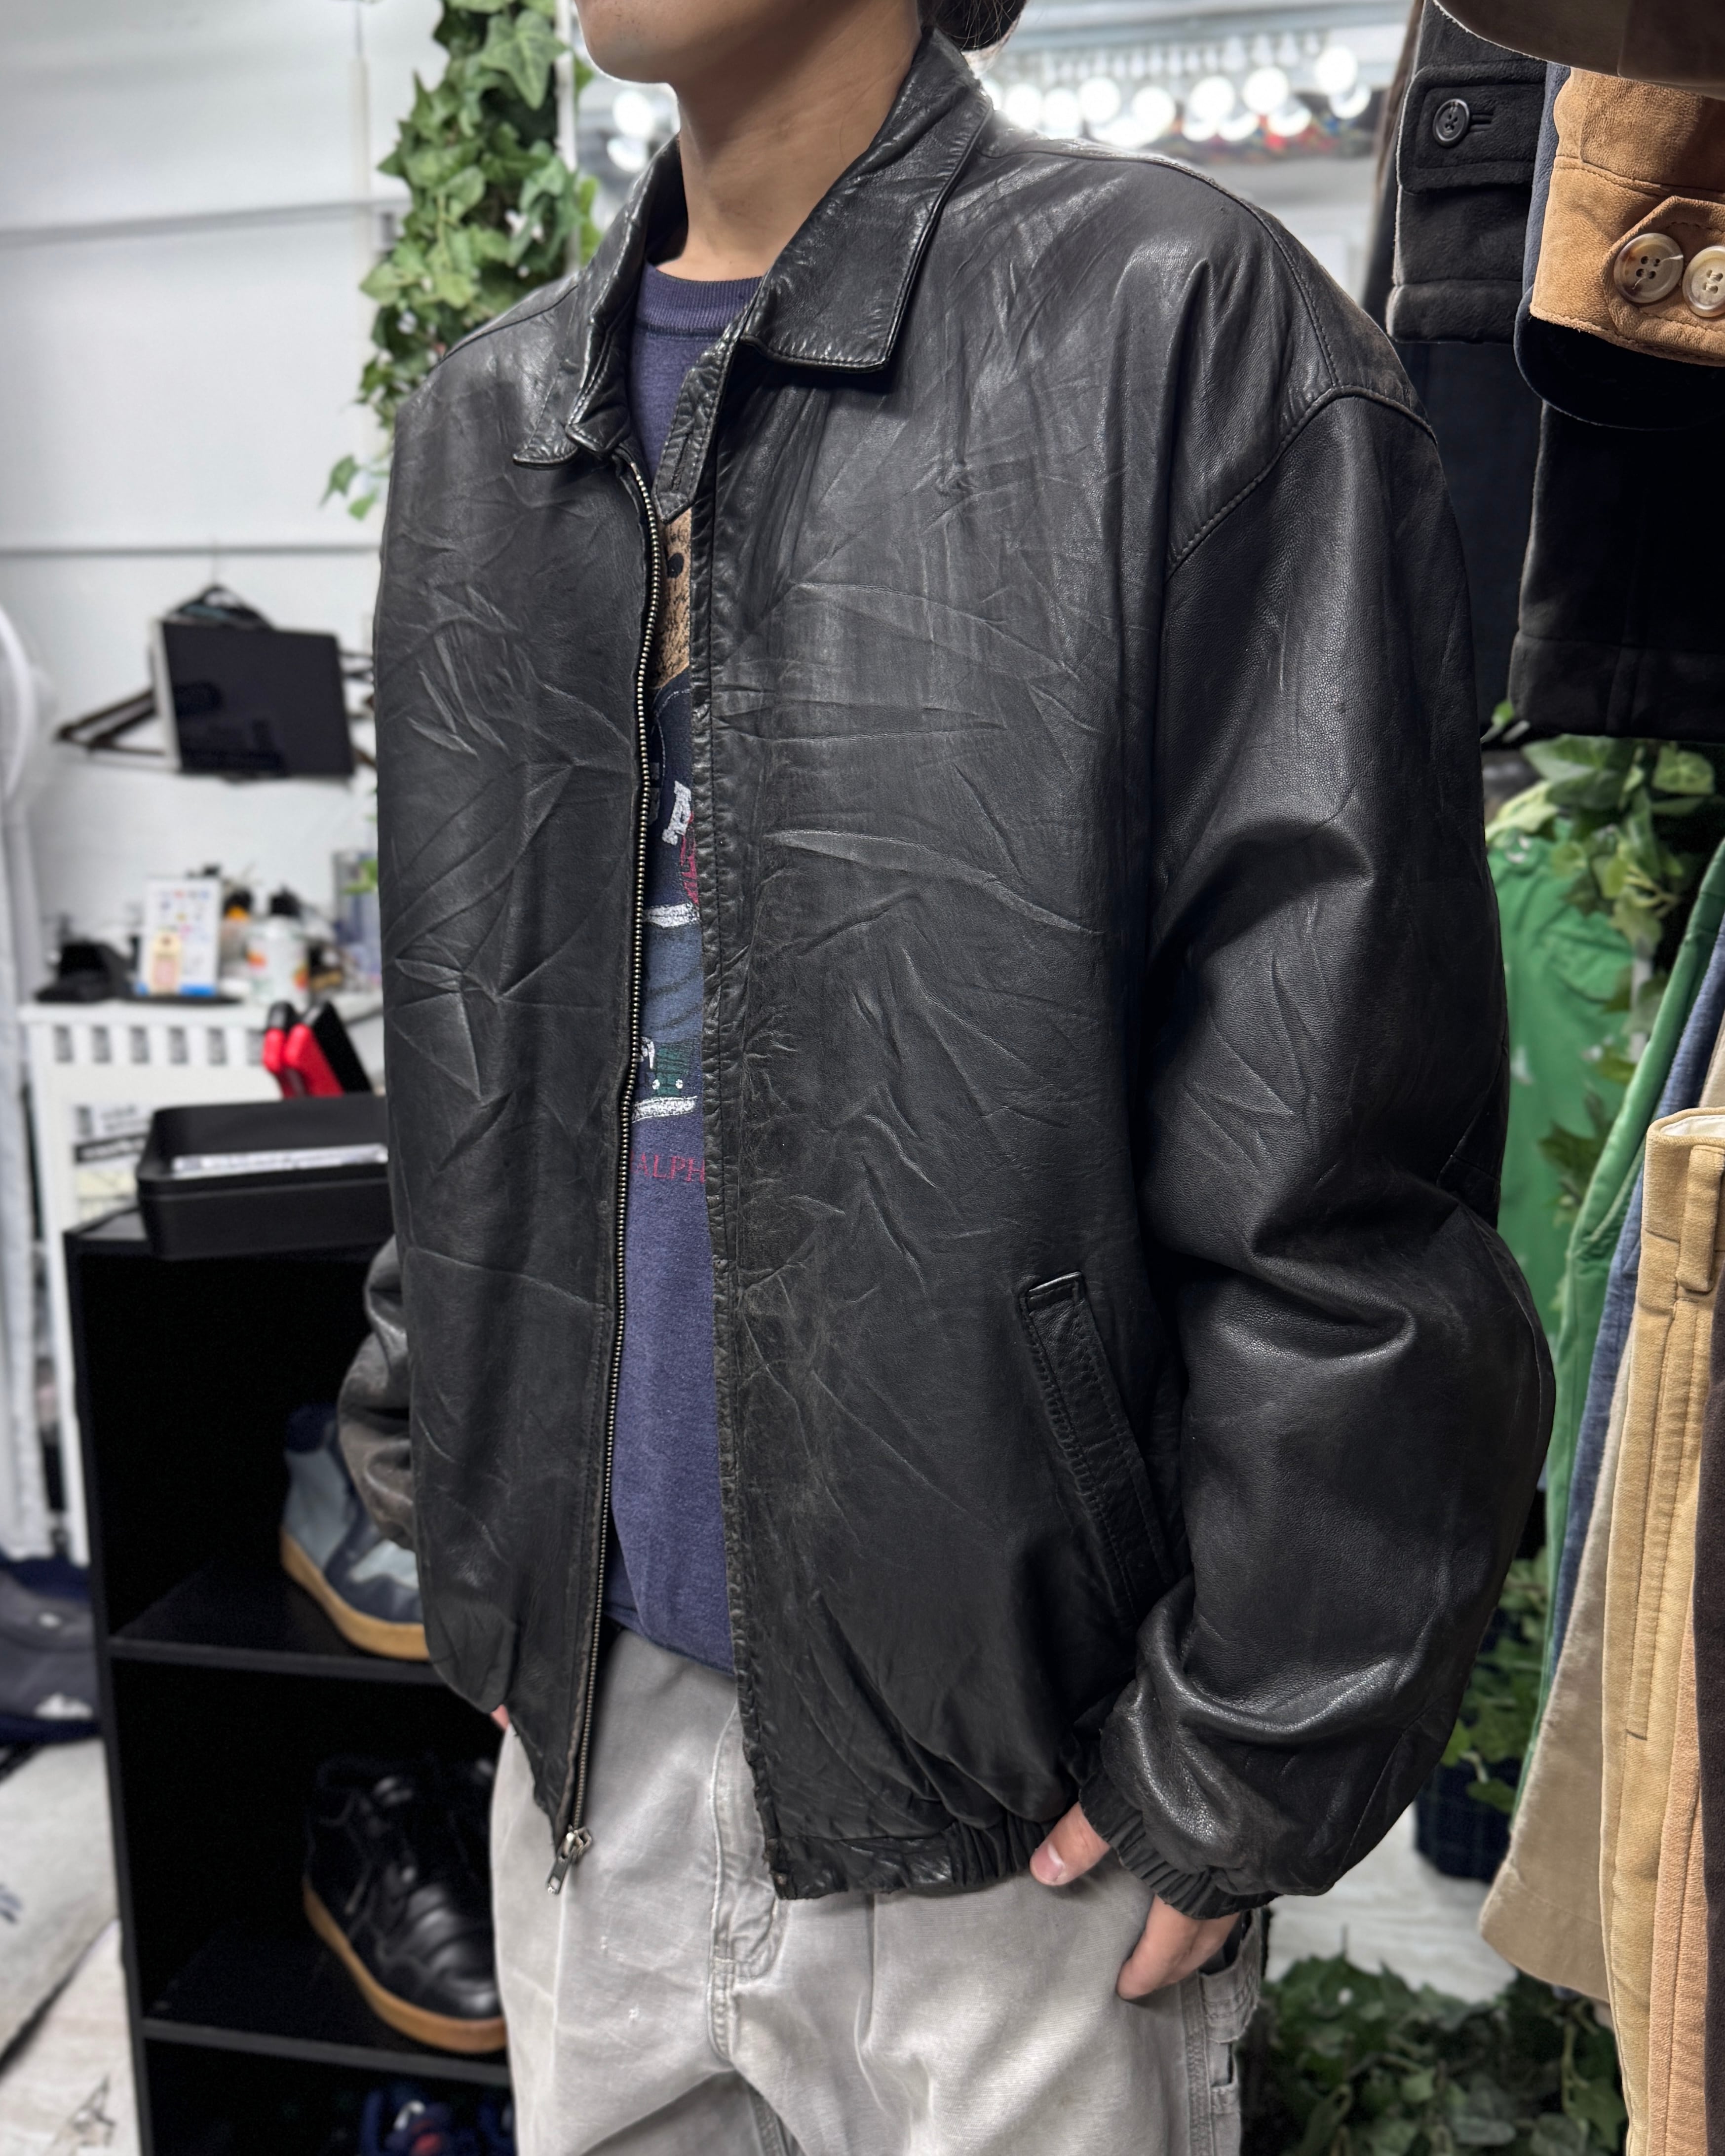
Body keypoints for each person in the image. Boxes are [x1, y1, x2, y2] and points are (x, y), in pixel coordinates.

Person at [340, 0, 1552, 2147]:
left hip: (1024, 1803)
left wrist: (1248, 1742)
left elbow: (1343, 1132)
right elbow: (466, 1062)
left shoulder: (1175, 327)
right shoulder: (486, 429)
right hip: (592, 1755)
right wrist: (463, 1523)